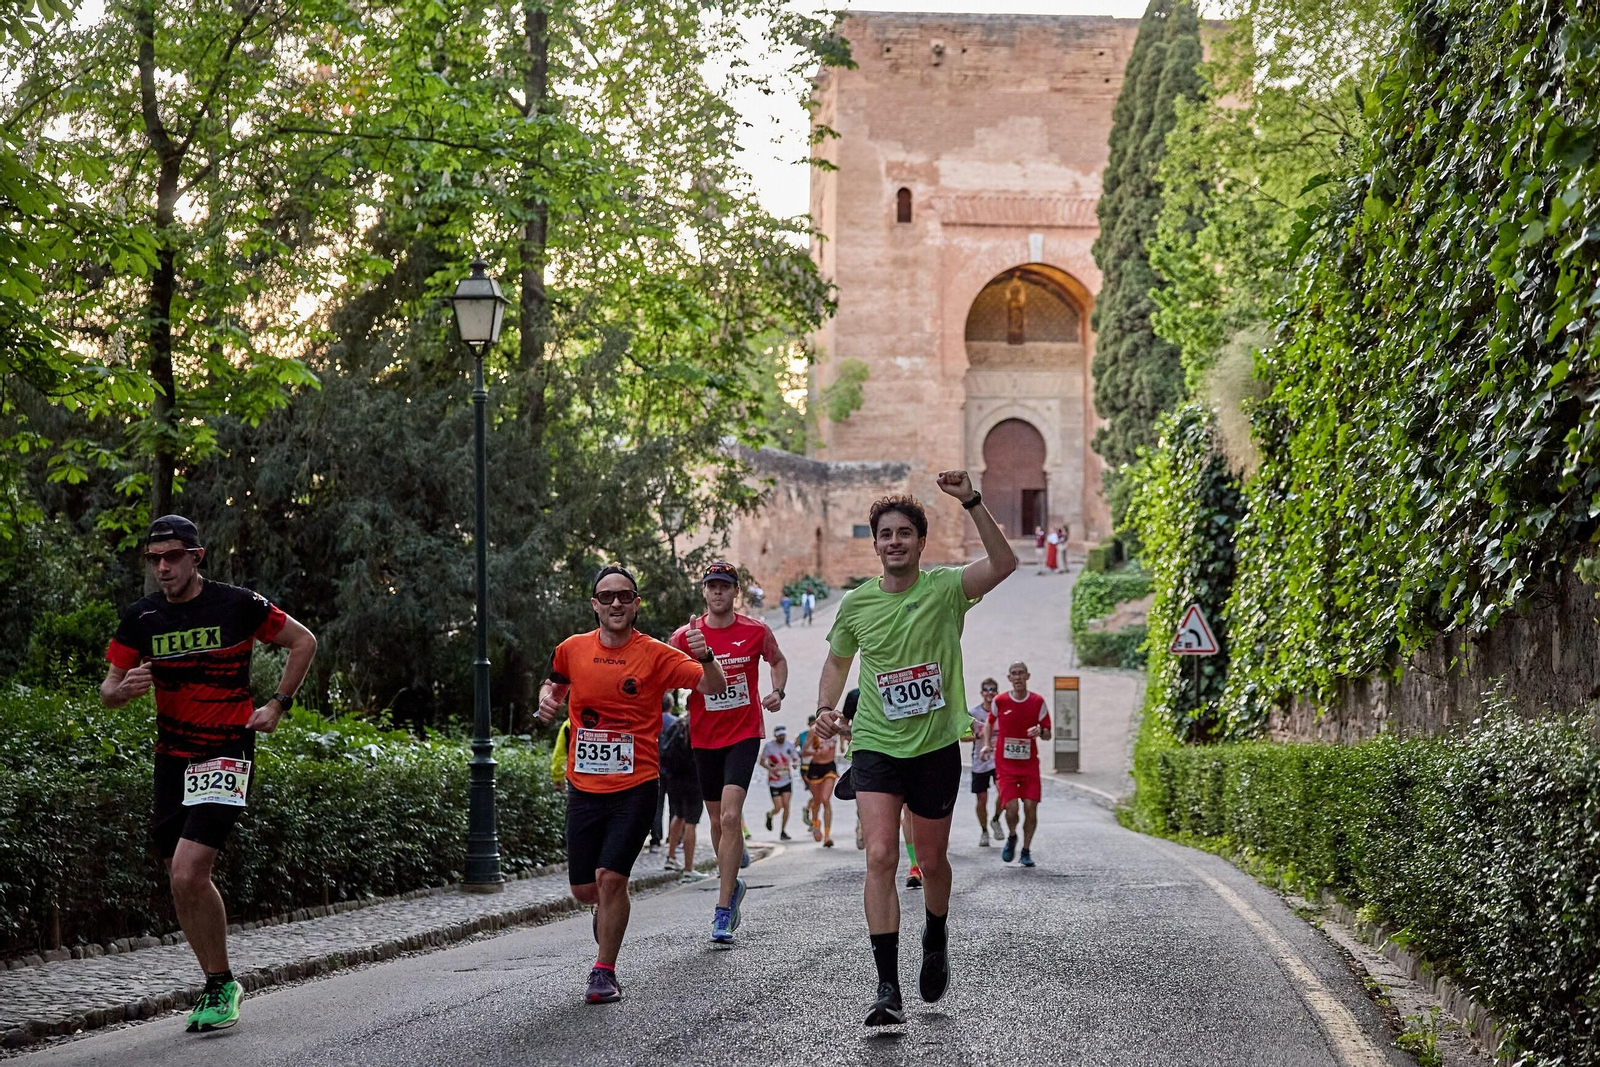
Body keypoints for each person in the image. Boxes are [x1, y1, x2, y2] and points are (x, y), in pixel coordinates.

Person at [100, 515, 319, 1035]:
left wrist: (278, 705)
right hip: (172, 757)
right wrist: (124, 689)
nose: (162, 567)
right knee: (182, 880)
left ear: (196, 557)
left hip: (225, 751)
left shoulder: (237, 604)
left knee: (187, 871)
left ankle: (219, 985)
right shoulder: (141, 617)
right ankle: (218, 979)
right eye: (154, 559)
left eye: (172, 556)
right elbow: (108, 691)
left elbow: (304, 641)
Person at [812, 474, 1017, 1026]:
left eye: (905, 533)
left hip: (934, 747)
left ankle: (936, 931)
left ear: (921, 543)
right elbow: (836, 661)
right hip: (877, 743)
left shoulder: (947, 589)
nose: (895, 541)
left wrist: (973, 501)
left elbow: (1003, 564)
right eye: (886, 534)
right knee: (880, 855)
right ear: (874, 544)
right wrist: (825, 708)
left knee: (930, 861)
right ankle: (885, 987)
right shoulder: (856, 604)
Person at [537, 565, 727, 1004]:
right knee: (586, 888)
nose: (616, 604)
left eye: (625, 596)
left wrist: (706, 657)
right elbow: (554, 687)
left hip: (637, 784)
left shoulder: (657, 655)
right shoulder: (571, 649)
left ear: (637, 603)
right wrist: (547, 703)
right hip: (583, 786)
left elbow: (714, 688)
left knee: (611, 877)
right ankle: (603, 912)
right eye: (607, 597)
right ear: (595, 605)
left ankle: (604, 971)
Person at [668, 561, 787, 946]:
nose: (718, 592)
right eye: (712, 586)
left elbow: (778, 660)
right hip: (704, 737)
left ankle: (721, 912)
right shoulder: (685, 636)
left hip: (744, 732)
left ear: (735, 592)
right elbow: (665, 674)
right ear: (704, 592)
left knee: (732, 816)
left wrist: (777, 691)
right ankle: (732, 887)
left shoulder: (754, 630)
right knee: (718, 821)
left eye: (725, 586)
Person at [982, 661, 1051, 868]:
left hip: (1029, 765)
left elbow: (1048, 734)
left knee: (1031, 808)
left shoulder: (1037, 701)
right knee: (1011, 809)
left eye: (1021, 673)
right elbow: (989, 722)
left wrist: (1040, 731)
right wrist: (987, 745)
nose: (1018, 677)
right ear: (1009, 678)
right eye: (1014, 674)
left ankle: (1026, 850)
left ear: (1027, 676)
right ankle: (1012, 836)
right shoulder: (1000, 701)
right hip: (1006, 765)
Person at [659, 707, 705, 883]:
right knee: (691, 823)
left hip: (674, 779)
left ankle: (671, 857)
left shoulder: (676, 724)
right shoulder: (697, 724)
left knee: (678, 815)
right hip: (693, 779)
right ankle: (689, 867)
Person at [968, 678, 1000, 847]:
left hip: (999, 759)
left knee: (1004, 792)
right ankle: (984, 831)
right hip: (979, 761)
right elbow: (962, 736)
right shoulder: (973, 713)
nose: (990, 692)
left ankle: (995, 819)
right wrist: (976, 736)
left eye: (993, 689)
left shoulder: (1002, 711)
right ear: (982, 693)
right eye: (986, 690)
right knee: (982, 798)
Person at [800, 716, 838, 846]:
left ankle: (827, 836)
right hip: (815, 768)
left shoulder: (834, 730)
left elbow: (845, 735)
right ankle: (816, 823)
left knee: (825, 800)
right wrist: (816, 751)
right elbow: (804, 751)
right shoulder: (813, 731)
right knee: (816, 801)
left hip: (829, 767)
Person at [760, 724, 798, 841]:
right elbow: (761, 761)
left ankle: (783, 831)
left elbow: (795, 757)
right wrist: (770, 769)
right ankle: (770, 815)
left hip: (786, 779)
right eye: (779, 735)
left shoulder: (789, 745)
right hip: (774, 781)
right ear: (776, 736)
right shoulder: (769, 746)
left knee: (786, 805)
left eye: (783, 735)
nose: (781, 737)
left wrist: (795, 764)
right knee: (778, 807)